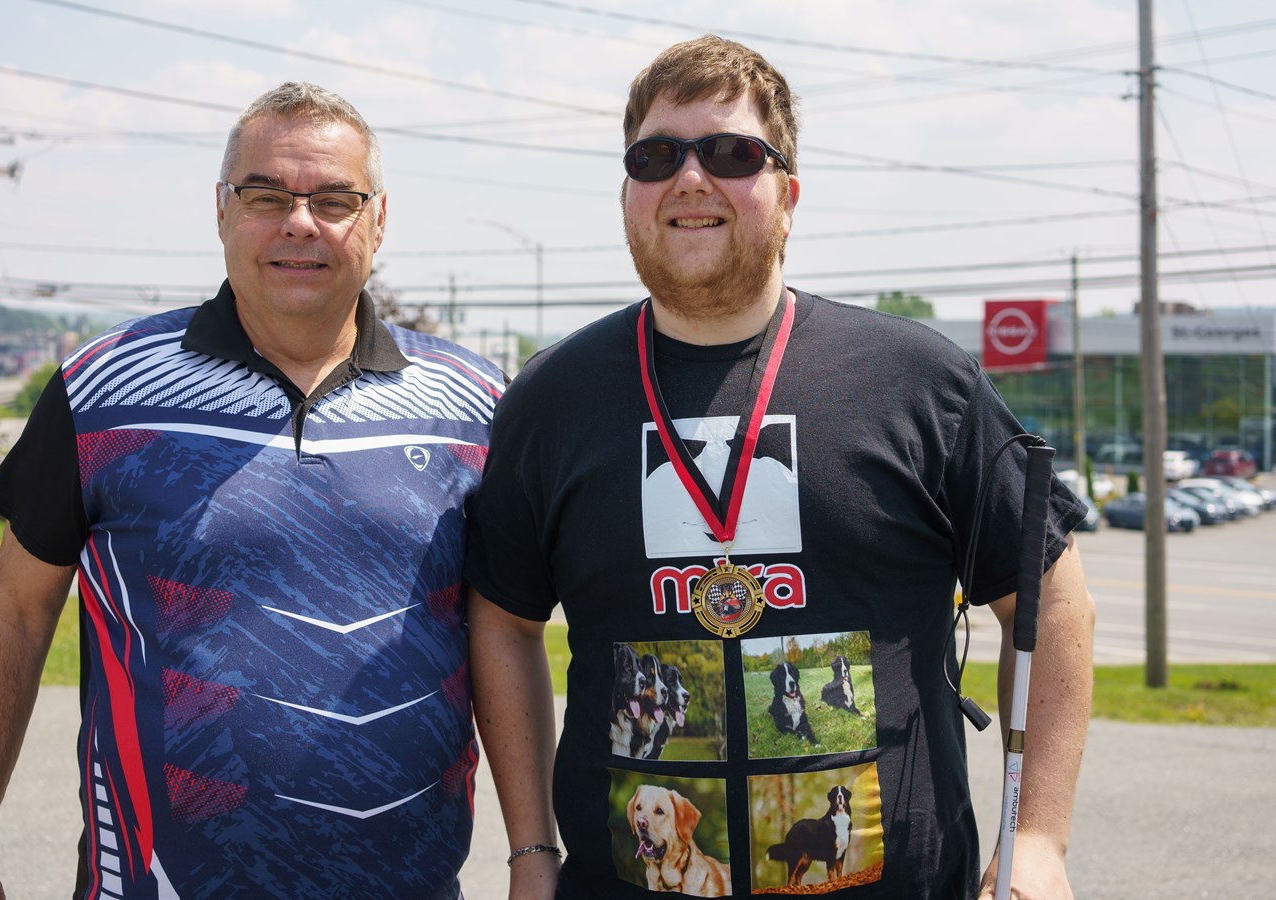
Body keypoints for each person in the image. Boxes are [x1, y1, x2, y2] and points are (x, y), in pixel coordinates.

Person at [467, 36, 1095, 900]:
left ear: (788, 195)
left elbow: (1053, 598)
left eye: (730, 153)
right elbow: (503, 622)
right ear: (627, 195)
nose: (689, 178)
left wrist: (1038, 840)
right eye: (655, 156)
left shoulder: (917, 382)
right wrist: (531, 853)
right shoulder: (550, 399)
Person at [0, 82, 504, 899]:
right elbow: (12, 612)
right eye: (267, 195)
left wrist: (533, 856)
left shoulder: (472, 405)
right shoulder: (103, 390)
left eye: (334, 199)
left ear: (379, 220)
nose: (300, 222)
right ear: (223, 212)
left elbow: (504, 640)